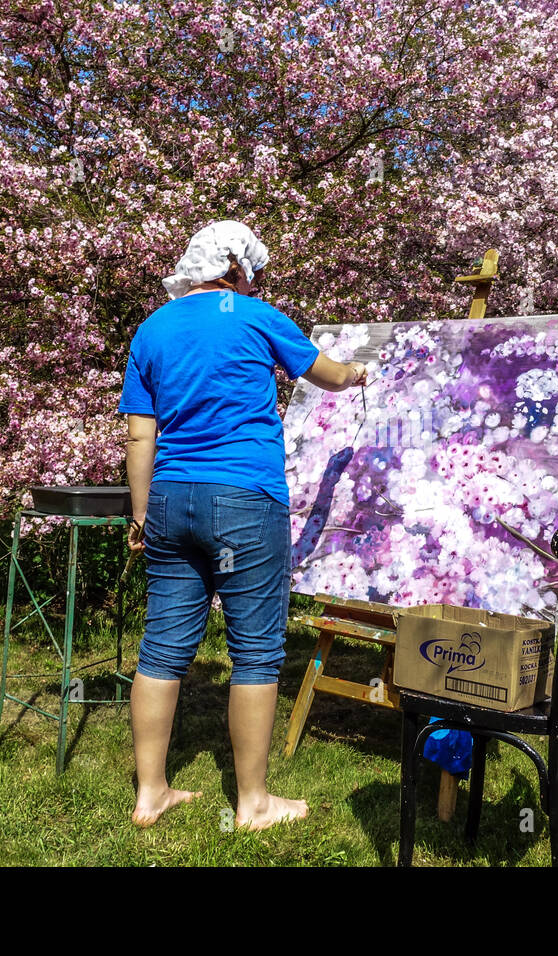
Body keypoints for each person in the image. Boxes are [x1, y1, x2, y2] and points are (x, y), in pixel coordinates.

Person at [117, 220, 367, 830]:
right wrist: (359, 373)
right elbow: (327, 374)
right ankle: (252, 802)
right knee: (255, 651)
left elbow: (139, 433)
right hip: (245, 498)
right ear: (237, 269)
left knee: (163, 647)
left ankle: (150, 792)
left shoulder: (153, 328)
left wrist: (141, 510)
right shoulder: (254, 315)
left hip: (171, 500)